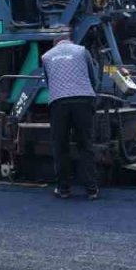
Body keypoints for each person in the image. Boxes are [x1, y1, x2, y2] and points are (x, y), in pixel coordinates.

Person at [42, 35, 101, 200]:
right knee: (85, 145)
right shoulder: (82, 51)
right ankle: (91, 189)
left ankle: (64, 189)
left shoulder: (46, 56)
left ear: (55, 44)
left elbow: (48, 82)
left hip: (58, 102)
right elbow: (92, 76)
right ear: (70, 41)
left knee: (61, 146)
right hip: (83, 99)